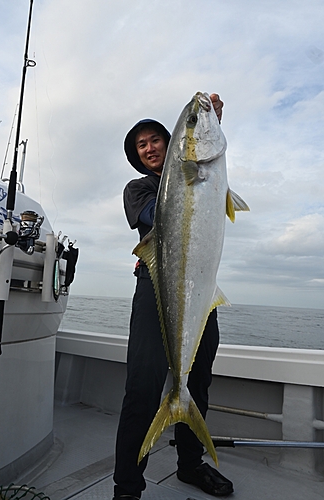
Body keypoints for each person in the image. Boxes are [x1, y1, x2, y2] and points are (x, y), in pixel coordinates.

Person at [113, 94, 234, 499]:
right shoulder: (140, 189)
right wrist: (188, 171)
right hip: (156, 288)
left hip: (201, 290)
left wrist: (210, 122)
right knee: (143, 388)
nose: (148, 148)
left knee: (197, 382)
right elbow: (155, 217)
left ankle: (190, 464)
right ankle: (127, 487)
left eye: (155, 140)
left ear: (171, 143)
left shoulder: (206, 172)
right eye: (140, 145)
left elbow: (207, 168)